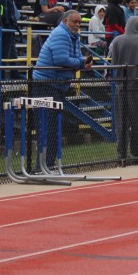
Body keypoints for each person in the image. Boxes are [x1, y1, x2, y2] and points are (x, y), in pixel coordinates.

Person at [32, 11, 86, 168]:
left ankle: (47, 164)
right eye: (74, 22)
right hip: (46, 85)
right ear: (65, 21)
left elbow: (77, 57)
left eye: (79, 22)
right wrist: (80, 63)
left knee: (52, 127)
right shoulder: (61, 34)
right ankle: (43, 166)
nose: (77, 25)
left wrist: (82, 63)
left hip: (55, 85)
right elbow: (61, 59)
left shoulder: (73, 36)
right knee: (47, 126)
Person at [108, 16, 138, 165]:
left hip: (121, 87)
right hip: (137, 86)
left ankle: (122, 155)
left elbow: (114, 63)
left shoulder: (117, 40)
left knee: (121, 123)